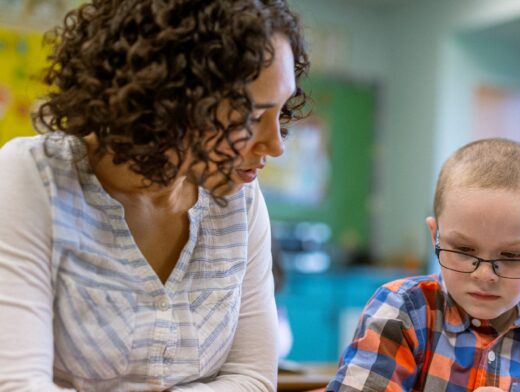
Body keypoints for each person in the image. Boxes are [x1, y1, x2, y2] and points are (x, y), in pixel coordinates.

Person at [0, 0, 309, 390]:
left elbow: (252, 377)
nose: (275, 145)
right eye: (249, 116)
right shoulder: (33, 177)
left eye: (280, 112)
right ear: (167, 99)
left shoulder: (240, 199)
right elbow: (18, 385)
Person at [328, 138, 520, 391]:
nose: (484, 275)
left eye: (510, 256)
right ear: (436, 236)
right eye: (463, 249)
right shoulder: (404, 311)